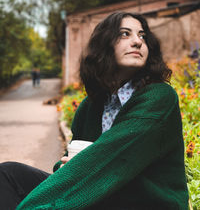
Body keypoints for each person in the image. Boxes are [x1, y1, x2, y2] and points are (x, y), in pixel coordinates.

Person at [0, 12, 189, 209]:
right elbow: (71, 157)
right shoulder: (92, 105)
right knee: (8, 174)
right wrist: (63, 166)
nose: (137, 42)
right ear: (105, 44)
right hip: (101, 193)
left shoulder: (158, 98)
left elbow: (112, 161)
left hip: (143, 202)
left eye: (142, 36)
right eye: (125, 34)